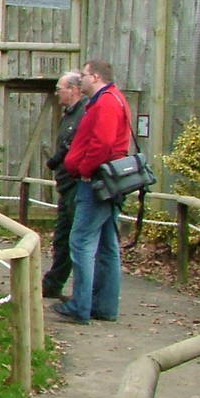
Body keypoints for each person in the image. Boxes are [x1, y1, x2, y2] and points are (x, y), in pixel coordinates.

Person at [55, 59, 133, 324]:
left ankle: (81, 304)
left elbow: (102, 143)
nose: (82, 79)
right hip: (105, 181)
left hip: (96, 182)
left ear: (96, 77)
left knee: (81, 242)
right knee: (108, 245)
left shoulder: (107, 102)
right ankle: (104, 305)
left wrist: (85, 169)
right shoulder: (111, 100)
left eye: (85, 75)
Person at [42, 71, 88, 299]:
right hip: (66, 183)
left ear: (73, 89)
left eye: (60, 89)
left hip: (76, 183)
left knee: (75, 237)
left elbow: (71, 145)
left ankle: (81, 293)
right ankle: (53, 283)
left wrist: (54, 161)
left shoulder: (84, 113)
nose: (57, 93)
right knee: (62, 236)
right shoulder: (69, 114)